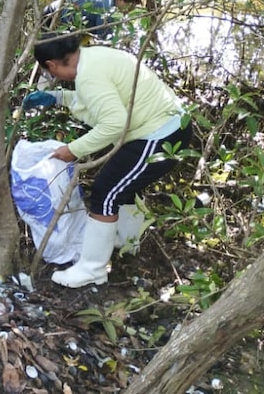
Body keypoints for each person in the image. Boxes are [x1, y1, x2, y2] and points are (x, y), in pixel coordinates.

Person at [22, 34, 192, 289]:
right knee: (122, 188)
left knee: (106, 191)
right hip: (170, 126)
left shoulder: (89, 76)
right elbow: (96, 103)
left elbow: (114, 123)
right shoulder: (93, 57)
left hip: (159, 134)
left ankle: (92, 270)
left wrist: (73, 149)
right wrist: (57, 97)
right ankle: (125, 244)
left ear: (52, 65)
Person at [42, 0, 141, 39]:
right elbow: (103, 40)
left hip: (54, 10)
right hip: (54, 18)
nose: (132, 10)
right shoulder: (107, 12)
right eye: (131, 6)